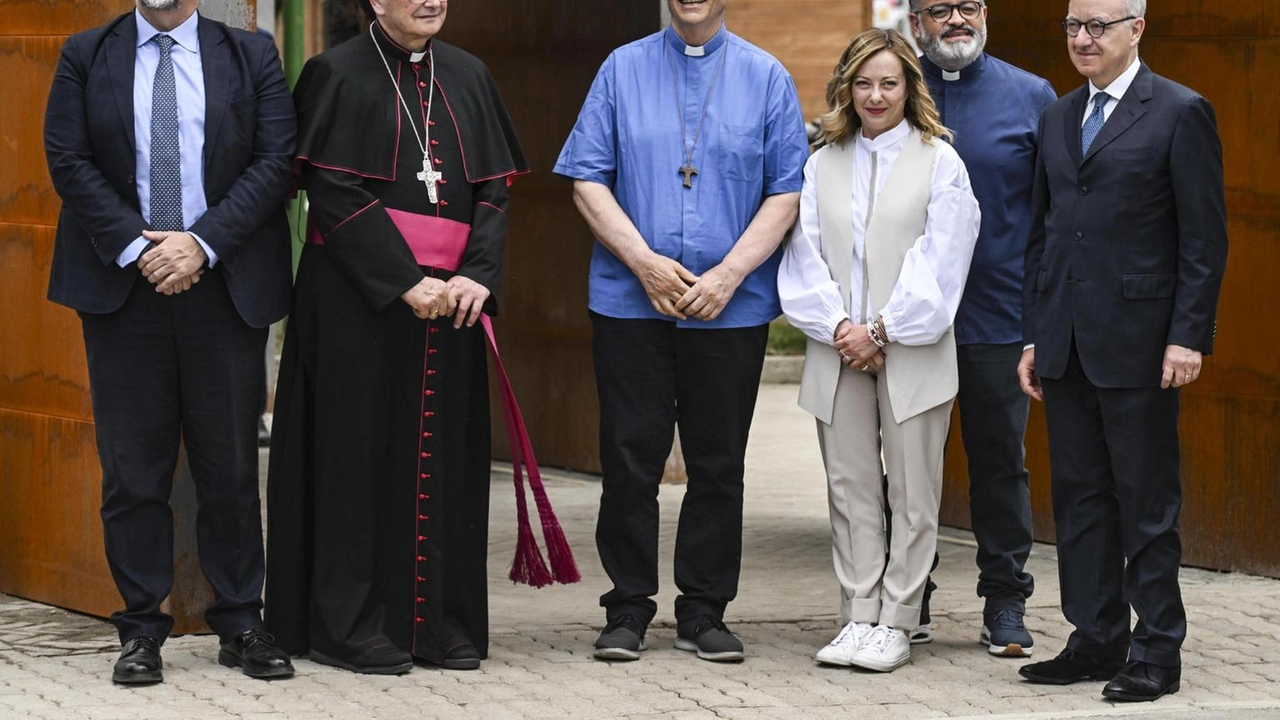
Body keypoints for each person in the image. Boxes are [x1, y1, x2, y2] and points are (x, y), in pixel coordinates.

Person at [265, 0, 574, 676]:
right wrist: (402, 280)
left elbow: (494, 189)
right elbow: (332, 186)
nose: (431, 1)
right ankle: (349, 625)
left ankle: (436, 623)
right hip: (357, 303)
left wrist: (477, 278)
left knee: (444, 457)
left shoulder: (469, 74)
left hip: (452, 306)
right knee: (356, 458)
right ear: (375, 1)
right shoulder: (335, 71)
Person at [43, 0, 296, 685]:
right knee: (133, 474)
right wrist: (140, 247)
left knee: (231, 467)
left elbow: (276, 162)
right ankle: (140, 629)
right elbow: (67, 159)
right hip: (124, 288)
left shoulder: (250, 53)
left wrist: (201, 244)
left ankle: (242, 621)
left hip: (224, 282)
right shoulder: (85, 54)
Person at [554, 0, 809, 663]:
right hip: (630, 303)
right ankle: (629, 607)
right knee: (630, 461)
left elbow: (787, 190)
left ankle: (703, 610)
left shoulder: (767, 76)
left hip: (732, 306)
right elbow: (587, 178)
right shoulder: (620, 69)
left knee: (718, 464)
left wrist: (727, 275)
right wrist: (641, 263)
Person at [1016, 0, 1227, 702]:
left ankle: (1156, 650)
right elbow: (1043, 236)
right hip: (1066, 344)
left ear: (1136, 28)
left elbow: (1204, 239)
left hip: (1141, 344)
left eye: (1097, 26)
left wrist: (1188, 335)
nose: (1082, 39)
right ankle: (1095, 637)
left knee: (1145, 503)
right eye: (1074, 26)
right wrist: (1034, 332)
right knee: (1078, 500)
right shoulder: (1055, 117)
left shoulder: (1178, 110)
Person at [778, 28, 980, 673]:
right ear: (846, 87)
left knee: (914, 492)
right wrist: (841, 327)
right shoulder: (821, 162)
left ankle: (898, 620)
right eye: (863, 82)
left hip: (911, 348)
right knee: (850, 488)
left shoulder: (940, 160)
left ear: (909, 87)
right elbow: (802, 254)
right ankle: (858, 614)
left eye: (889, 82)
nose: (875, 94)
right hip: (837, 347)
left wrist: (884, 330)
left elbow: (943, 259)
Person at [909, 0, 1057, 657]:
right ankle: (908, 600)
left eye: (967, 5)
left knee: (1000, 465)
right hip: (909, 323)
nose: (956, 20)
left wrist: (1041, 324)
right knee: (907, 470)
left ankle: (1005, 603)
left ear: (985, 14)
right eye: (939, 9)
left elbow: (1054, 218)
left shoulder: (1032, 96)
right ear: (916, 22)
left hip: (998, 319)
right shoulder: (890, 91)